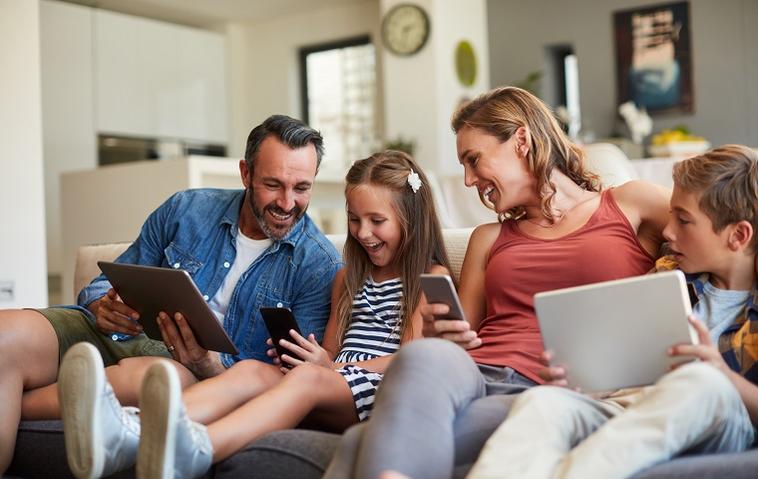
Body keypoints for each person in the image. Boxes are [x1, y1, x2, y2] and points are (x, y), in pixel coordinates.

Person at [323, 86, 671, 479]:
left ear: (521, 140)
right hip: (471, 373)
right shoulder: (488, 238)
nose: (470, 180)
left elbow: (719, 223)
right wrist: (442, 331)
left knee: (358, 442)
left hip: (542, 385)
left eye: (474, 160)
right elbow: (461, 335)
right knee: (425, 355)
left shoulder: (630, 204)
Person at [58, 150, 453, 479]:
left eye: (377, 221)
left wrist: (327, 371)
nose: (363, 232)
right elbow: (331, 351)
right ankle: (135, 431)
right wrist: (317, 359)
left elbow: (412, 359)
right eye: (354, 220)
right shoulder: (347, 277)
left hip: (379, 389)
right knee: (252, 370)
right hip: (333, 382)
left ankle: (199, 450)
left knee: (307, 381)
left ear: (410, 219)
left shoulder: (427, 278)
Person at [0, 114, 341, 474]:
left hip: (188, 373)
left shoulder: (318, 266)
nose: (287, 203)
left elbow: (281, 384)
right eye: (273, 184)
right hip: (115, 334)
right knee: (7, 334)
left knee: (154, 378)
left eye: (301, 188)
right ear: (246, 174)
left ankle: (25, 400)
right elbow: (108, 279)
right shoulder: (187, 209)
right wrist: (102, 304)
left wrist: (207, 364)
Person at [467, 145, 758, 479]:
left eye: (684, 220)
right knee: (543, 404)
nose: (667, 231)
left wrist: (722, 374)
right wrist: (581, 378)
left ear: (738, 235)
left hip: (720, 418)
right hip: (625, 406)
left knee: (701, 381)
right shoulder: (668, 275)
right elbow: (619, 360)